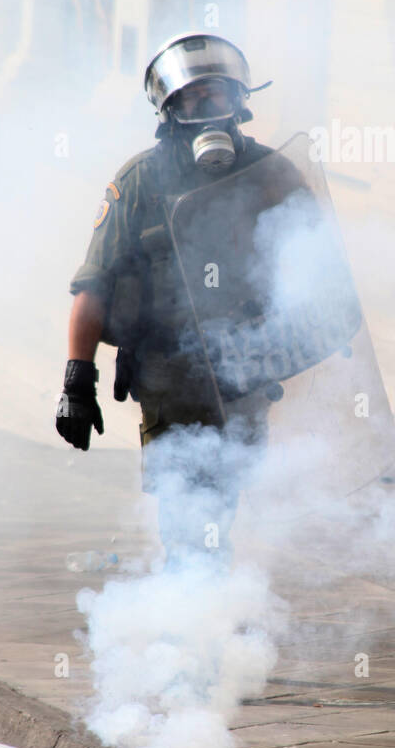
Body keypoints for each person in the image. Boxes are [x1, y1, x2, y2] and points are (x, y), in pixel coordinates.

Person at [55, 32, 278, 564]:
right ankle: (192, 611)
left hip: (246, 366)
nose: (206, 109)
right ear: (169, 110)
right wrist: (76, 381)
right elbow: (94, 285)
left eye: (217, 95)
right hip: (168, 370)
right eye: (192, 98)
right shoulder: (140, 181)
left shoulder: (271, 174)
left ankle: (201, 606)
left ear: (239, 102)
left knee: (222, 500)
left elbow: (315, 263)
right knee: (186, 507)